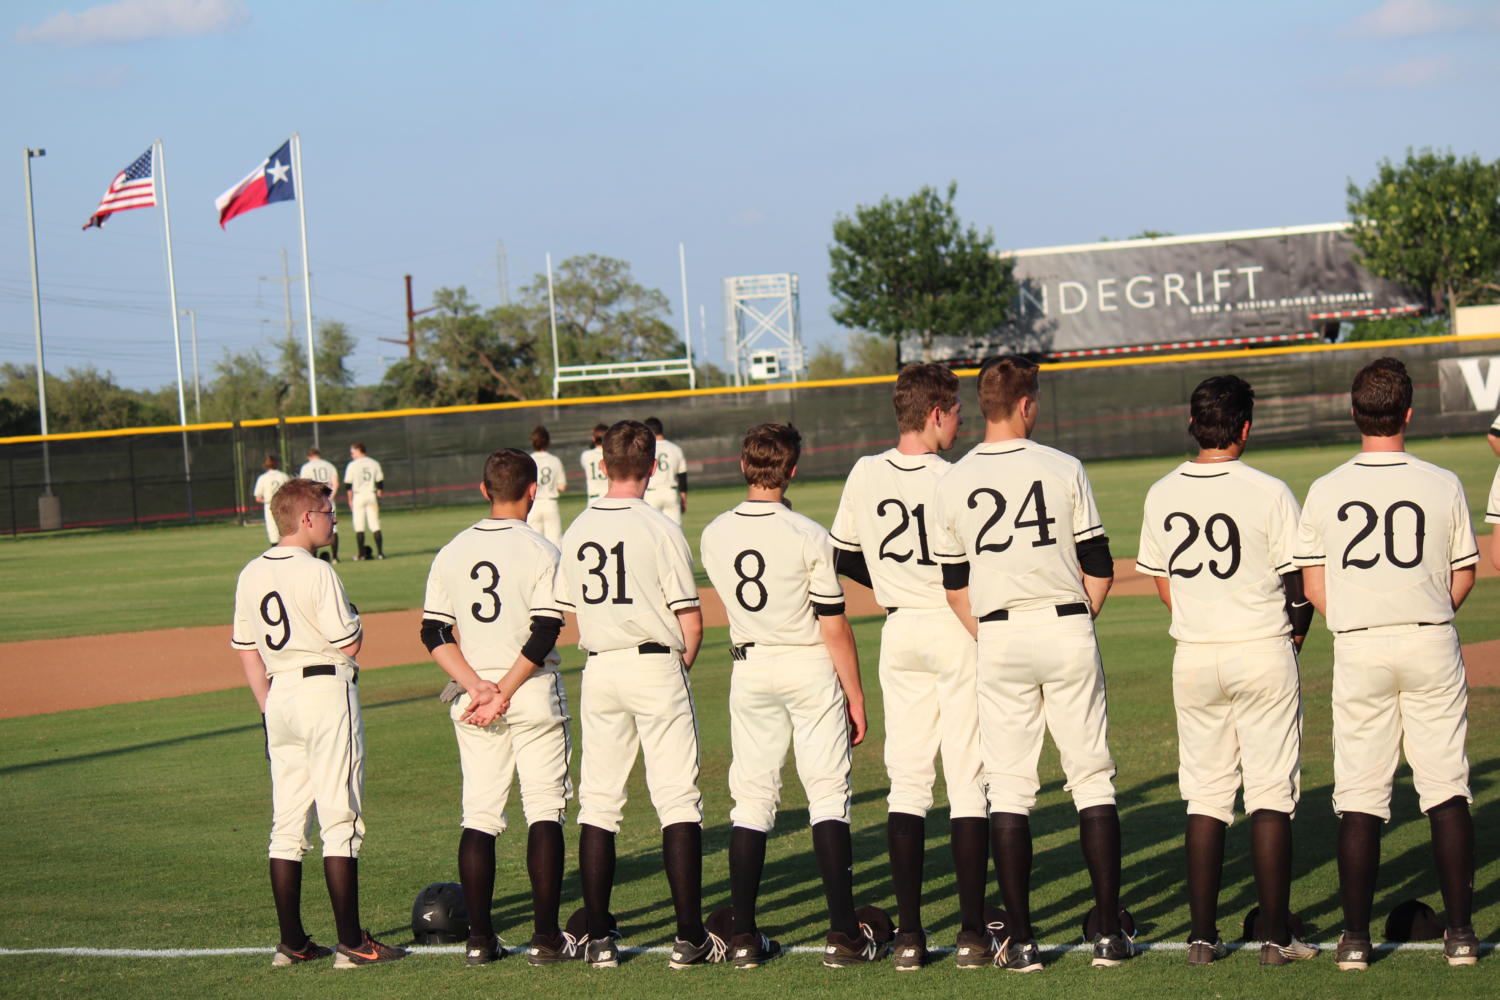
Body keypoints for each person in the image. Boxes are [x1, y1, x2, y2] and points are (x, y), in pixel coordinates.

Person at [931, 355, 1130, 972]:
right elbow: (1098, 563)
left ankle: (1020, 940)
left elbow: (955, 585)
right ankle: (1106, 936)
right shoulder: (1063, 466)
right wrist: (1078, 616)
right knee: (1091, 778)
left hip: (999, 636)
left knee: (1009, 788)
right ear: (1026, 405)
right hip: (1066, 625)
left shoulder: (951, 480)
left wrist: (991, 632)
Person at [1295, 357, 1480, 970]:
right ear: (1408, 412)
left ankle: (1353, 939)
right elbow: (1464, 574)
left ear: (1354, 414)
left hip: (1360, 643)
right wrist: (1423, 611)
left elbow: (1313, 585)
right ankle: (1459, 935)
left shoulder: (1326, 488)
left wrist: (1358, 620)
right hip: (1429, 637)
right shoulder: (1442, 481)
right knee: (1446, 787)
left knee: (1361, 794)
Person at [1136, 375, 1317, 966]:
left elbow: (1163, 583)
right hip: (1262, 647)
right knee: (1270, 794)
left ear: (1193, 424)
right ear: (1244, 427)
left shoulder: (1162, 492)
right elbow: (1300, 586)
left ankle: (1201, 938)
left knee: (1207, 797)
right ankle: (1274, 938)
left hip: (1196, 653)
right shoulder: (1269, 490)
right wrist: (1293, 636)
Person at [828, 363, 992, 970]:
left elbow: (843, 554)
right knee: (969, 778)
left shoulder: (865, 472)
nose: (959, 422)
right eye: (953, 411)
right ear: (934, 414)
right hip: (953, 623)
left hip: (900, 630)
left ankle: (911, 937)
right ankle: (973, 933)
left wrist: (894, 582)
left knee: (908, 782)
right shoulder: (956, 477)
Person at [702, 423, 877, 969]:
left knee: (751, 800)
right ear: (793, 469)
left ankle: (744, 937)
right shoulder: (807, 533)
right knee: (827, 794)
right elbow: (833, 624)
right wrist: (856, 693)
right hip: (806, 664)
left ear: (743, 466)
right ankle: (845, 934)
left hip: (749, 667)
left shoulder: (713, 532)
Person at [553, 420, 715, 969]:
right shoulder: (660, 525)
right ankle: (689, 937)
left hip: (600, 667)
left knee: (599, 802)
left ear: (602, 466)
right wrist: (679, 668)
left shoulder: (575, 528)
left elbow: (569, 611)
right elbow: (690, 620)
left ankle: (599, 938)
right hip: (655, 664)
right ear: (652, 466)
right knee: (677, 799)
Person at [230, 477, 406, 969]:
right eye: (328, 513)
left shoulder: (250, 572)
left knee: (286, 826)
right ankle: (352, 942)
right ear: (305, 518)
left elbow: (247, 652)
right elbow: (349, 642)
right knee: (340, 820)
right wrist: (357, 618)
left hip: (280, 697)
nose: (335, 520)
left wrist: (268, 712)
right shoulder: (317, 571)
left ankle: (293, 942)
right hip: (325, 691)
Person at [420, 449, 573, 966]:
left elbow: (434, 631)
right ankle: (546, 938)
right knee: (544, 810)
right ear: (533, 490)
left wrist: (477, 687)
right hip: (527, 689)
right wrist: (503, 690)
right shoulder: (542, 549)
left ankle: (480, 940)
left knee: (480, 817)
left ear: (484, 490)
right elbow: (546, 629)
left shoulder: (451, 551)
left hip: (475, 698)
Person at [526, 425, 568, 545]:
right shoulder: (554, 460)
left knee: (535, 543)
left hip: (534, 504)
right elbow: (562, 486)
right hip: (550, 503)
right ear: (548, 442)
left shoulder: (528, 459)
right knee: (555, 542)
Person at [344, 443, 385, 560]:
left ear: (358, 450)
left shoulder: (352, 465)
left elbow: (348, 484)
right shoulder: (374, 463)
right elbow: (380, 482)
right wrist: (379, 496)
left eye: (352, 452)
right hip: (371, 494)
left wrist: (349, 499)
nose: (351, 454)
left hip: (359, 496)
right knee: (375, 525)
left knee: (359, 526)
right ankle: (380, 553)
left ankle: (361, 554)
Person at [643, 417, 688, 524]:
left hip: (651, 494)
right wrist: (683, 499)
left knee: (653, 531)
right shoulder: (675, 449)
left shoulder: (646, 449)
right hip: (671, 493)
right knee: (676, 531)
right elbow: (682, 477)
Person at [299, 447, 341, 562]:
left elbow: (304, 485)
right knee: (334, 527)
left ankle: (314, 557)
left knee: (312, 526)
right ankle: (335, 557)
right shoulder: (329, 465)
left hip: (313, 499)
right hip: (328, 498)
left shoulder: (306, 467)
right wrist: (331, 497)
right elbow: (336, 483)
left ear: (309, 456)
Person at [252, 454, 291, 546]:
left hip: (270, 505)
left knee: (273, 532)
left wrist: (267, 501)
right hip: (283, 505)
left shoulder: (263, 478)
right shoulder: (283, 476)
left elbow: (258, 497)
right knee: (286, 530)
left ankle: (276, 555)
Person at [580, 423, 609, 504]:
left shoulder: (586, 455)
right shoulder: (612, 454)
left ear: (593, 438)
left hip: (593, 500)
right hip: (610, 498)